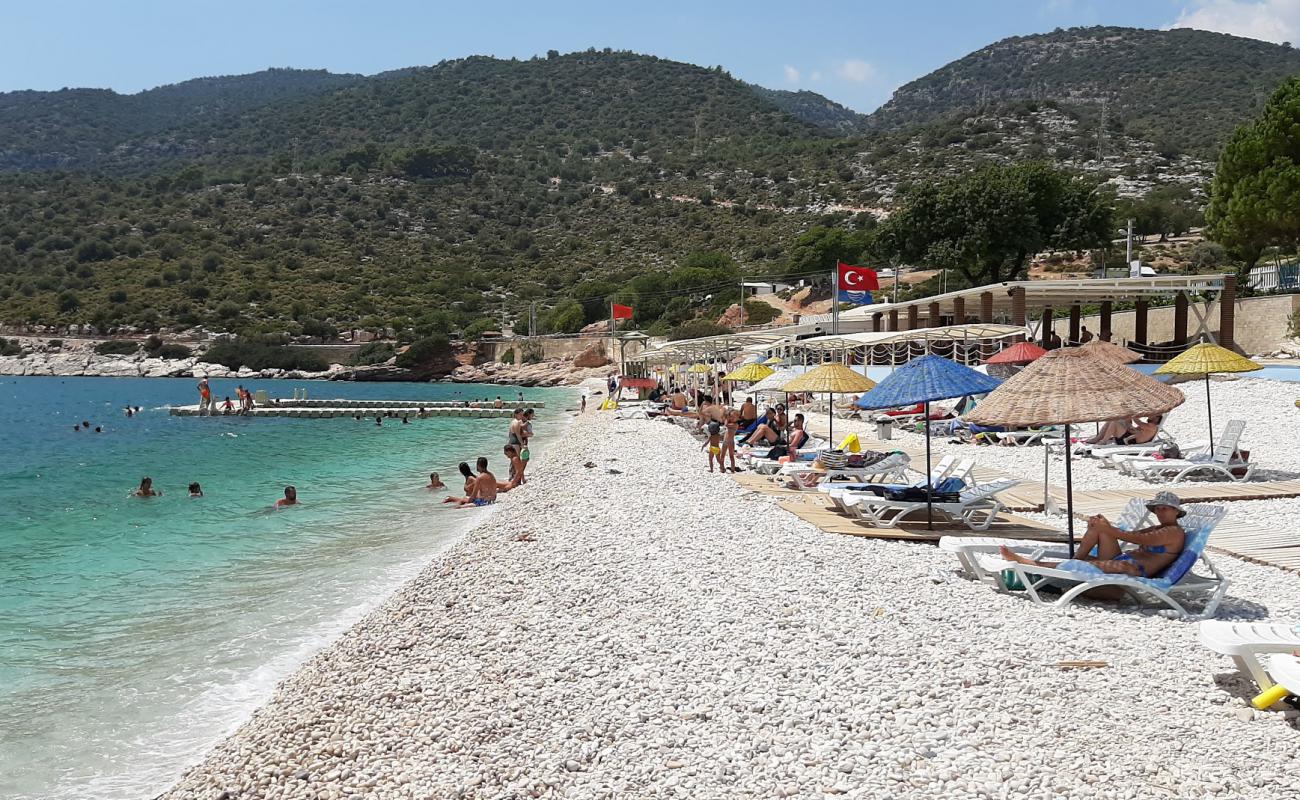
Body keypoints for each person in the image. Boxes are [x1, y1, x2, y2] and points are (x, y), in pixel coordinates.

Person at [999, 492, 1187, 581]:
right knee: (1098, 528)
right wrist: (1104, 526)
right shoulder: (1158, 527)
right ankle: (1071, 564)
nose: (1160, 511)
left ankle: (1029, 564)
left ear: (1176, 512)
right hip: (1123, 561)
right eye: (1158, 508)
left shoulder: (1173, 532)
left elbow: (1138, 540)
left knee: (1089, 558)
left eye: (1165, 508)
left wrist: (1108, 528)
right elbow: (1131, 534)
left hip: (1132, 569)